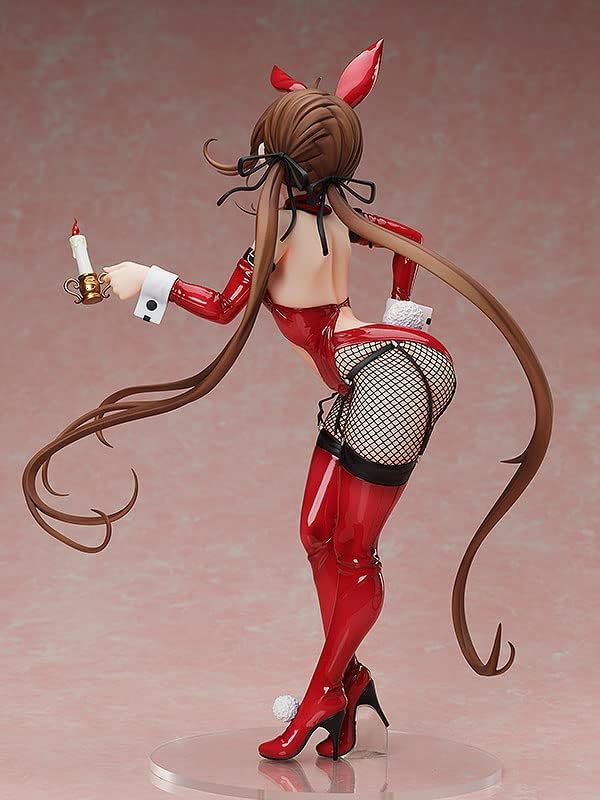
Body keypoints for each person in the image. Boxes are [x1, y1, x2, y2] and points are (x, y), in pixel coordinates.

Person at [22, 40, 553, 762]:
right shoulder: (331, 221)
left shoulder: (279, 236)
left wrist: (140, 278)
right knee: (314, 535)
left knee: (354, 551)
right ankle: (349, 680)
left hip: (390, 378)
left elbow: (222, 308)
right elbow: (407, 238)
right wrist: (401, 307)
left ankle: (322, 695)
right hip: (367, 374)